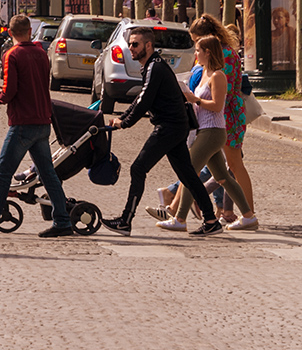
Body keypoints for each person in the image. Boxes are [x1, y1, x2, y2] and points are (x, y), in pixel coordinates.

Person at [0, 14, 74, 239]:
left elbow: (11, 90)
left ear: (10, 33)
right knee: (48, 174)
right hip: (43, 120)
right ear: (29, 31)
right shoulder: (42, 53)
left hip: (23, 122)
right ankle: (62, 220)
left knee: (3, 172)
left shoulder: (11, 55)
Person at [102, 27, 224, 236]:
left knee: (138, 168)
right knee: (187, 175)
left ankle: (125, 220)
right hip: (176, 127)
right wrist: (122, 117)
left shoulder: (155, 67)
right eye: (130, 44)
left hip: (169, 127)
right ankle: (211, 220)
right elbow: (141, 97)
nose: (131, 48)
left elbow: (145, 99)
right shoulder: (152, 66)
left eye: (135, 44)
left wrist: (126, 122)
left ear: (148, 46)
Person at [156, 35, 255, 232]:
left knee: (189, 172)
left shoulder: (218, 76)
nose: (195, 54)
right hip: (205, 130)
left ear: (207, 53)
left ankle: (180, 219)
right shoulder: (204, 73)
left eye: (198, 50)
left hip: (213, 131)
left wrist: (195, 100)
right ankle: (248, 217)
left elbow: (218, 106)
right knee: (223, 177)